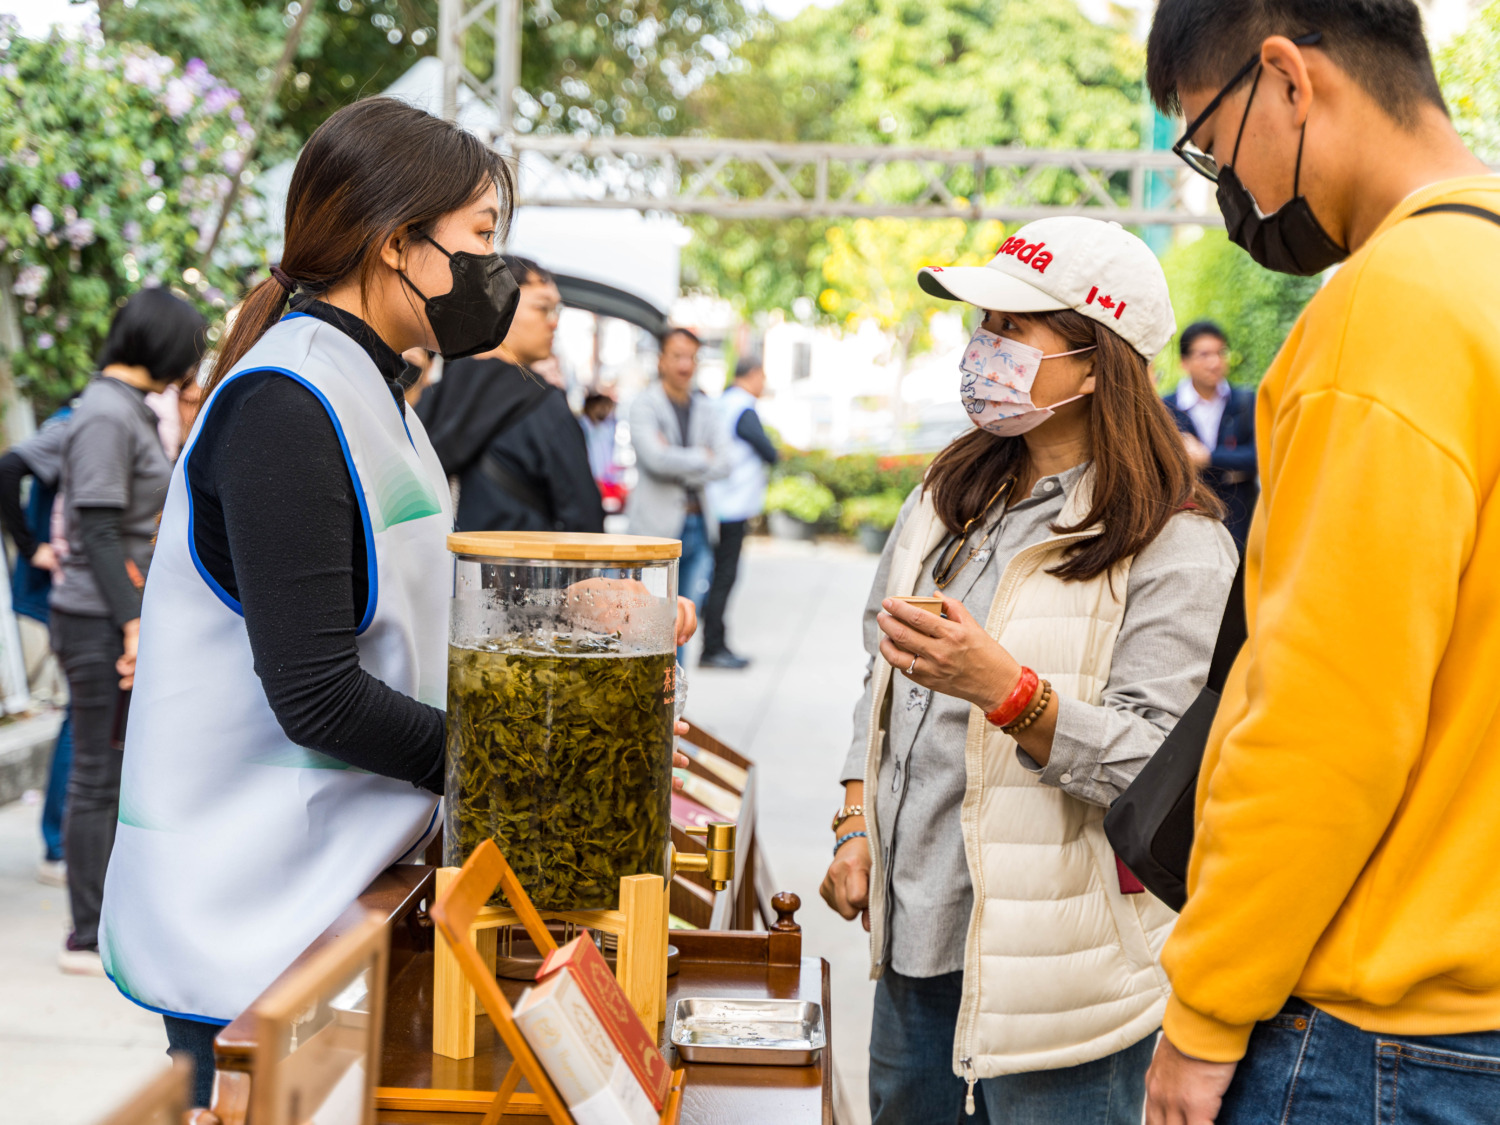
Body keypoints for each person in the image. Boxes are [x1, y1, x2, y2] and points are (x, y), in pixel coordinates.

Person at [96, 99, 696, 1110]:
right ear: (394, 243)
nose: (491, 274)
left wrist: (570, 611)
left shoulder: (380, 395)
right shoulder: (285, 405)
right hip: (254, 900)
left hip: (347, 879)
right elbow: (320, 696)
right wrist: (523, 774)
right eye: (478, 241)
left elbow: (408, 614)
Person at [1142, 5, 1500, 1124]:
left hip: (1382, 1040)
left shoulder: (1391, 306)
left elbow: (1326, 716)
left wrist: (1203, 1016)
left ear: (1289, 79)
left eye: (1207, 143)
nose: (1223, 186)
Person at [819, 216, 1237, 1123]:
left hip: (1060, 987)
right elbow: (879, 682)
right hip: (914, 953)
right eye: (984, 325)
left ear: (1097, 363)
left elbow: (1160, 768)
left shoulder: (1177, 541)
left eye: (1014, 327)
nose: (984, 349)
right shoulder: (944, 496)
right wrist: (856, 821)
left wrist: (1011, 694)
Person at [51, 287, 208, 976]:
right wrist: (130, 624)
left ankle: (103, 918)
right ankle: (85, 933)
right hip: (96, 618)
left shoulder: (122, 410)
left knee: (110, 769)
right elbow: (95, 525)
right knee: (95, 772)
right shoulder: (106, 415)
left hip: (112, 614)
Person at [418, 254, 603, 533]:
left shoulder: (432, 395)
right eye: (543, 309)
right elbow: (584, 519)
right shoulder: (543, 404)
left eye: (557, 311)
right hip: (514, 571)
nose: (554, 323)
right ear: (496, 307)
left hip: (438, 570)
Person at [0, 408, 75, 888]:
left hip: (74, 593)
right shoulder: (81, 418)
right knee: (87, 711)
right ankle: (57, 844)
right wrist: (31, 548)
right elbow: (8, 467)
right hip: (63, 593)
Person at [626, 327, 732, 638]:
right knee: (649, 623)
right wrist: (703, 456)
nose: (685, 365)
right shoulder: (644, 404)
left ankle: (675, 687)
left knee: (682, 626)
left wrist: (676, 458)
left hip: (699, 525)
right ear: (661, 360)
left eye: (691, 358)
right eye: (677, 356)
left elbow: (725, 463)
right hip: (655, 529)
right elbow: (655, 460)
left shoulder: (706, 408)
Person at [700, 356, 778, 669]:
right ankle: (713, 646)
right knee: (724, 578)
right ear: (753, 375)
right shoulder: (743, 406)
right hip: (731, 507)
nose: (764, 384)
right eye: (763, 376)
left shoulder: (721, 403)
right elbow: (768, 451)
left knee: (714, 576)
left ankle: (712, 641)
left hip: (715, 502)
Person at [1165, 321, 1257, 549]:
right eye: (1204, 355)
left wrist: (1208, 458)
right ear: (1184, 362)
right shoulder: (1165, 408)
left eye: (1220, 353)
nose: (1215, 362)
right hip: (1188, 521)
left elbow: (1261, 455)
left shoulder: (1245, 402)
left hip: (1242, 518)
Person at [579, 389, 627, 514]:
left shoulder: (608, 425)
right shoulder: (583, 426)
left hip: (607, 480)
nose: (606, 410)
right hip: (591, 479)